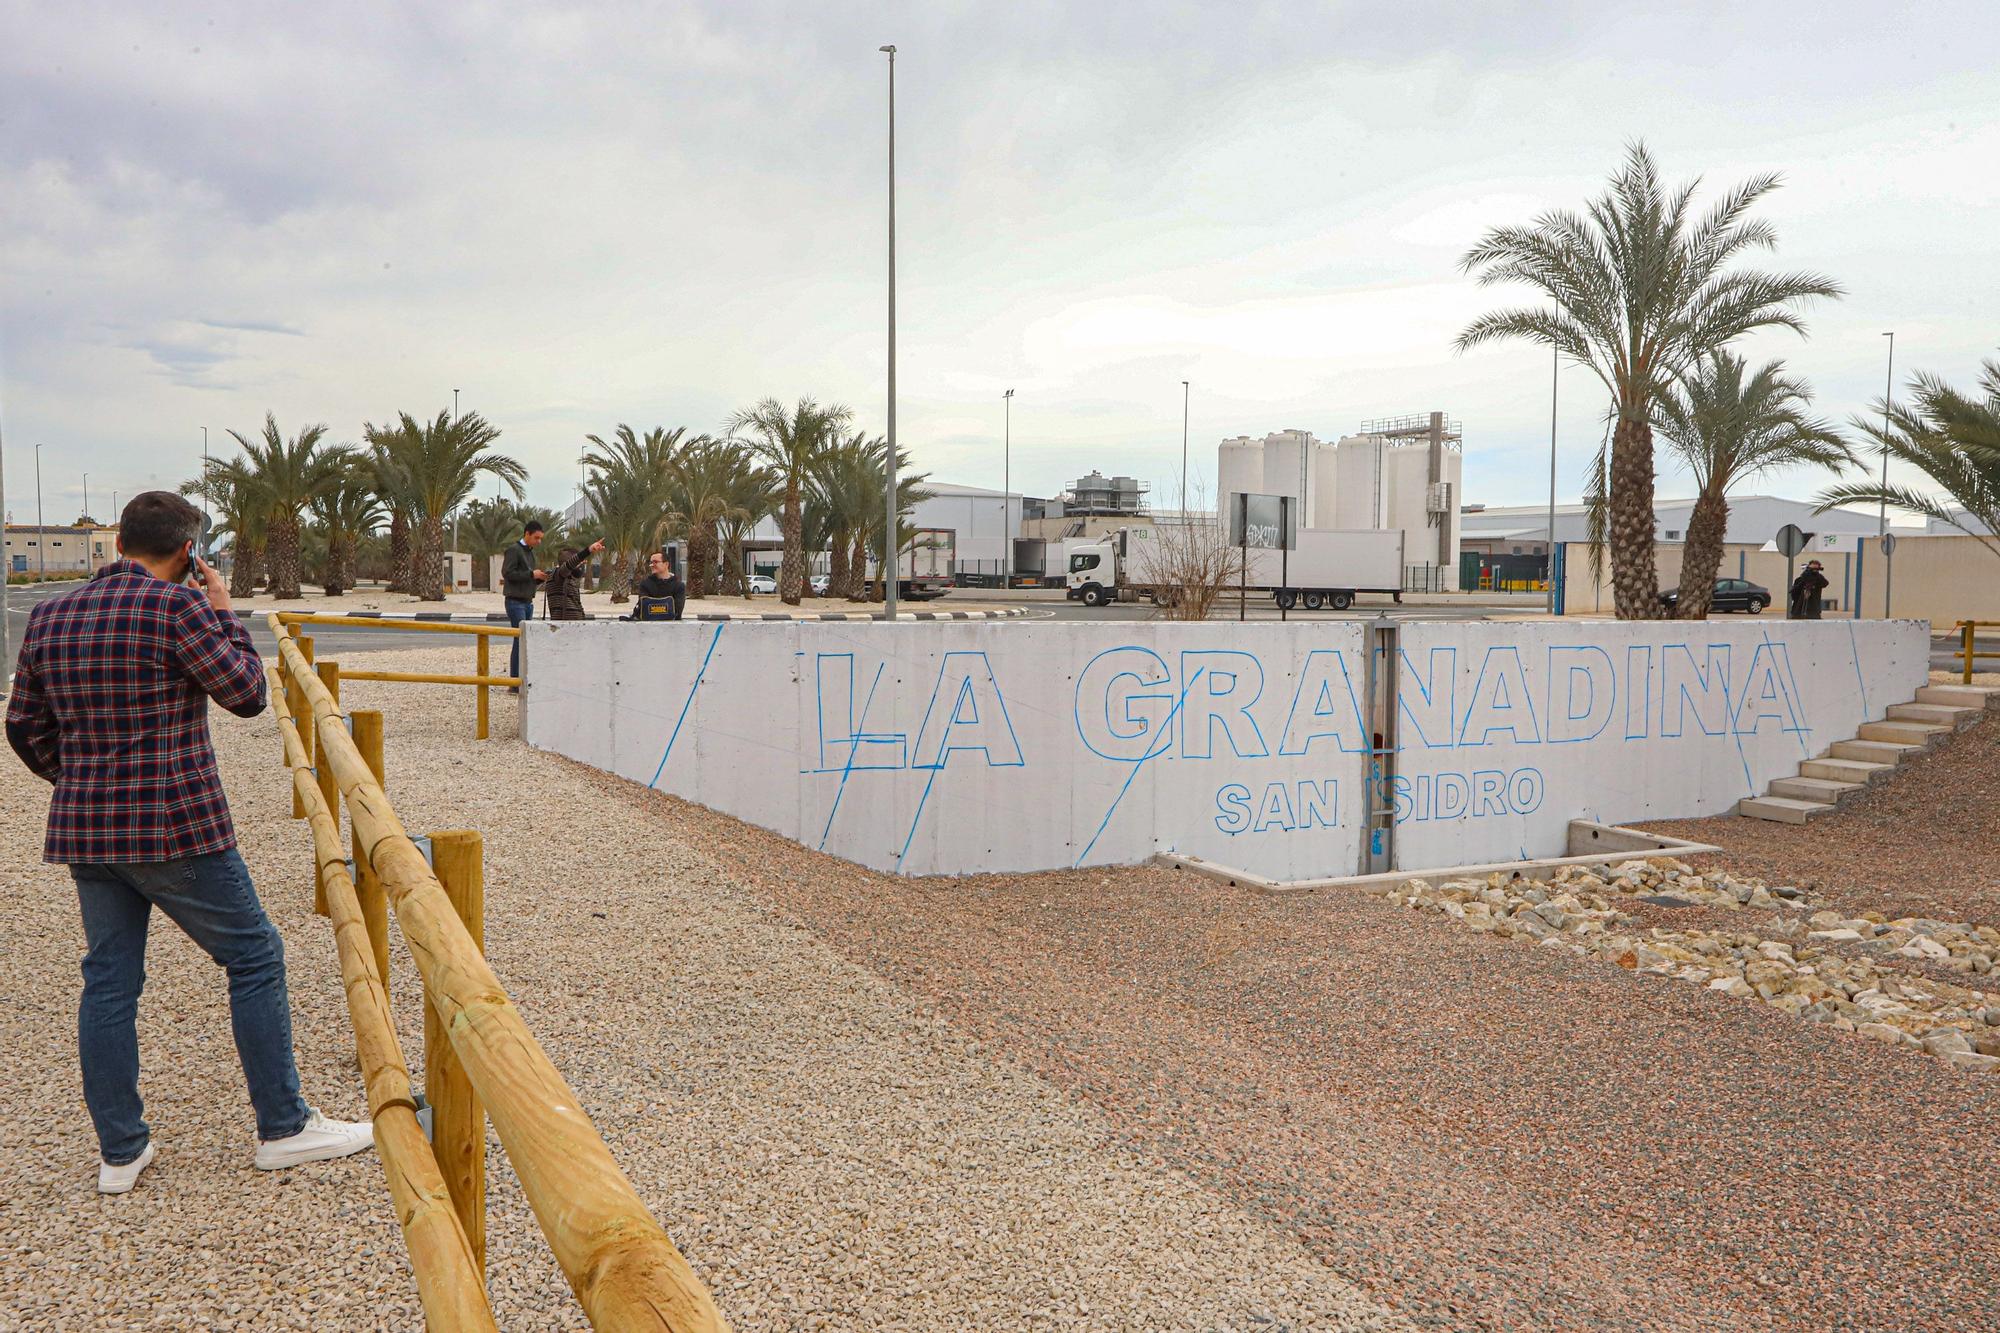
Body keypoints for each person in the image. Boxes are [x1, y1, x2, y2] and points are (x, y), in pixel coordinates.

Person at [4, 491, 373, 1194]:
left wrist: (75, 777)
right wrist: (222, 610)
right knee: (256, 955)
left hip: (88, 830)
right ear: (187, 552)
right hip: (175, 825)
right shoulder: (177, 608)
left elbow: (23, 724)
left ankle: (120, 1151)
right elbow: (245, 692)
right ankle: (284, 1126)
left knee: (109, 980)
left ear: (118, 542)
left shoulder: (51, 615)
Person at [500, 520, 548, 690]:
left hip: (528, 602)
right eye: (536, 538)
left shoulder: (530, 553)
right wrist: (531, 574)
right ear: (527, 534)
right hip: (515, 602)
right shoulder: (514, 550)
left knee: (524, 642)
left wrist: (538, 578)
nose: (538, 542)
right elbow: (507, 573)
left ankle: (521, 680)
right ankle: (514, 683)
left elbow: (527, 578)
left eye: (540, 539)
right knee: (519, 641)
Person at [543, 539, 606, 621]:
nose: (581, 565)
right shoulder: (558, 575)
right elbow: (570, 564)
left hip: (574, 625)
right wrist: (589, 550)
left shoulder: (569, 578)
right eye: (578, 562)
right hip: (564, 625)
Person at [634, 549, 685, 620]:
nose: (652, 565)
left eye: (655, 562)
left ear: (666, 564)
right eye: (651, 562)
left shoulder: (679, 586)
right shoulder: (645, 584)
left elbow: (677, 611)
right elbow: (644, 607)